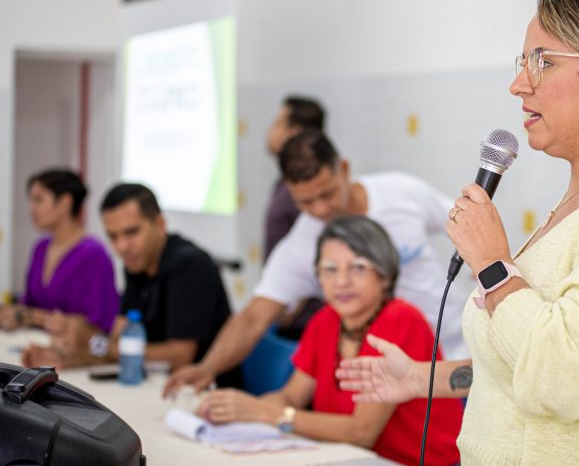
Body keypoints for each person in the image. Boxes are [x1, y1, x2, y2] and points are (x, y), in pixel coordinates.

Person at [337, 0, 579, 466]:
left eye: (543, 62)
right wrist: (422, 378)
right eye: (523, 63)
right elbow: (528, 356)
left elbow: (562, 377)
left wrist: (494, 266)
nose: (518, 85)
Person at [163, 130, 468, 397]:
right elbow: (255, 317)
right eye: (305, 203)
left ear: (344, 169)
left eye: (327, 194)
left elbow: (467, 226)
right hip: (394, 372)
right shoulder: (303, 246)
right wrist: (207, 368)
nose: (321, 210)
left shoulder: (402, 192)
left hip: (462, 349)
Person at [197, 216, 462, 466]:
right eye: (330, 269)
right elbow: (290, 398)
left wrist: (265, 413)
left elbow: (362, 433)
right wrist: (235, 411)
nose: (341, 281)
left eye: (358, 267)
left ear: (385, 275)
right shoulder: (326, 321)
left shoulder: (402, 320)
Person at [23, 183, 240, 388]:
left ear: (160, 225)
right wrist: (68, 357)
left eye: (131, 232)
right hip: (155, 384)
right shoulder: (137, 263)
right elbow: (118, 339)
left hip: (205, 394)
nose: (122, 247)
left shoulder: (190, 266)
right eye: (113, 236)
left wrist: (92, 343)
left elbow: (179, 356)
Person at [0, 169, 118, 333]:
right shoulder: (41, 248)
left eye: (38, 200)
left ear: (65, 202)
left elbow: (99, 323)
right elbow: (27, 304)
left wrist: (33, 316)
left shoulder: (94, 255)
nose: (31, 208)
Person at [264, 95, 325, 259]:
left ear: (294, 133)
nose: (270, 131)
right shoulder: (285, 183)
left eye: (277, 124)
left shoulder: (311, 188)